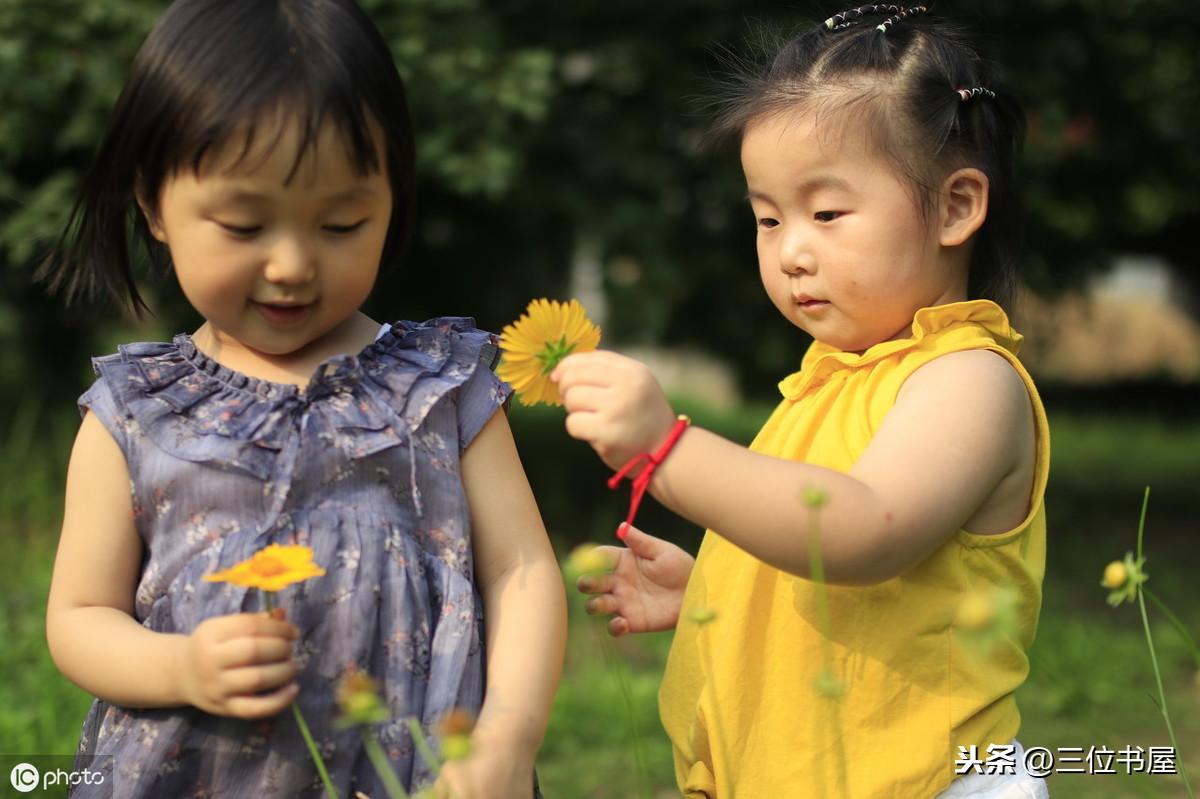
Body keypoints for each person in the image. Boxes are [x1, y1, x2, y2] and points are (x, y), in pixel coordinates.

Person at [41, 2, 565, 797]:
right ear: (154, 205)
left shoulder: (440, 386)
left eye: (343, 222)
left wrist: (507, 739)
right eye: (245, 225)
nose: (291, 264)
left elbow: (522, 568)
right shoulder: (139, 412)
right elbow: (79, 617)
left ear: (390, 200)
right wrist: (178, 665)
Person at [554, 5, 1050, 798]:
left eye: (826, 213)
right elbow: (809, 539)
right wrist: (723, 587)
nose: (790, 250)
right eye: (767, 217)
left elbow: (858, 529)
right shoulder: (826, 378)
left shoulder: (968, 379)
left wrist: (667, 449)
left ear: (955, 207)